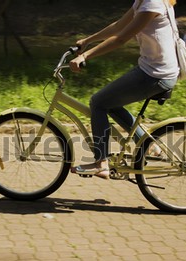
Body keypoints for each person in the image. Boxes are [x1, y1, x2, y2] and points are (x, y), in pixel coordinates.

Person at [69, 0, 180, 179]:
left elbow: (121, 38)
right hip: (152, 70)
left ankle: (101, 163)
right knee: (109, 102)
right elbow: (119, 25)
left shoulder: (152, 4)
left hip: (155, 75)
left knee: (98, 103)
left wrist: (85, 55)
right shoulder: (143, 1)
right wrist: (87, 41)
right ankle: (148, 145)